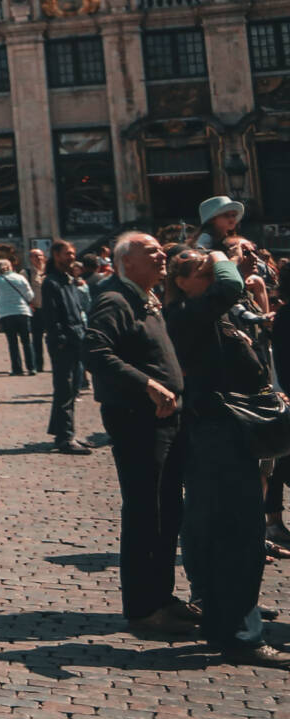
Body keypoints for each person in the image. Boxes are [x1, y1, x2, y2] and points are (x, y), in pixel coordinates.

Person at [166, 247, 290, 665]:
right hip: (219, 435)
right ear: (183, 282)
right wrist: (220, 254)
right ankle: (242, 636)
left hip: (224, 433)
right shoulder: (188, 312)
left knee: (223, 532)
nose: (215, 275)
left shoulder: (207, 314)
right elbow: (231, 284)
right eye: (204, 271)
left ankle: (225, 623)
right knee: (240, 535)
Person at [87, 231, 199, 641]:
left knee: (168, 511)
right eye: (151, 251)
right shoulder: (115, 299)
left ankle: (161, 597)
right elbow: (96, 351)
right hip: (137, 419)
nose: (161, 255)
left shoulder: (147, 297)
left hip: (167, 417)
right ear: (126, 261)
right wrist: (147, 384)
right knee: (144, 512)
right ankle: (142, 609)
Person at [36, 241, 95, 454]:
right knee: (65, 389)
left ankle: (62, 431)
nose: (71, 257)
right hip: (63, 342)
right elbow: (51, 315)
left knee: (72, 388)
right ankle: (65, 437)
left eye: (72, 253)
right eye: (67, 253)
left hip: (76, 338)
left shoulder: (68, 279)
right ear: (56, 254)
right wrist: (60, 339)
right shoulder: (51, 282)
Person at [0, 254, 36, 378]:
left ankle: (17, 368)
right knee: (26, 341)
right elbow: (30, 295)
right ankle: (32, 367)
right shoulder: (20, 278)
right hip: (23, 311)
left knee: (12, 342)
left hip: (6, 313)